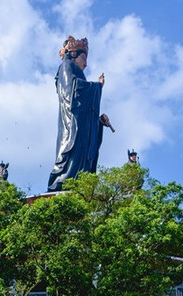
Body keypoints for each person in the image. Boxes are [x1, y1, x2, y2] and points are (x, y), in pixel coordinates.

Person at [47, 36, 109, 192]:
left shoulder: (81, 74)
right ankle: (64, 181)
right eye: (83, 58)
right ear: (74, 56)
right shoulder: (66, 66)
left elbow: (85, 101)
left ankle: (81, 184)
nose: (86, 63)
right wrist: (97, 87)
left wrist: (98, 121)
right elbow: (71, 91)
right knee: (72, 155)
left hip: (83, 123)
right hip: (71, 123)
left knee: (85, 155)